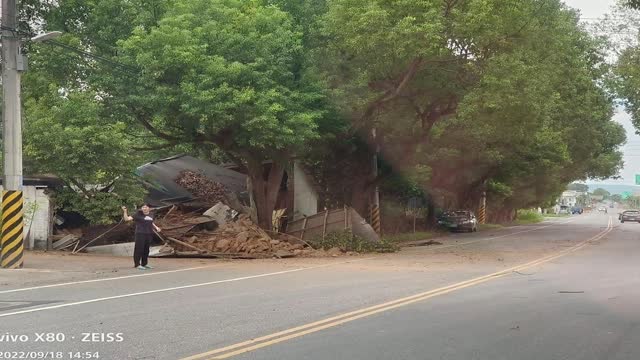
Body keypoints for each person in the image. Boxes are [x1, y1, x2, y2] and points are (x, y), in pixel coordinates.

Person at [122, 204, 161, 270]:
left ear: (149, 208)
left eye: (146, 207)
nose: (144, 208)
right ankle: (137, 264)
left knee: (146, 250)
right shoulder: (138, 214)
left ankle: (144, 264)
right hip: (140, 233)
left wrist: (156, 227)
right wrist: (125, 211)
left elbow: (151, 222)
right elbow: (127, 219)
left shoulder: (151, 214)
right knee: (139, 249)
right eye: (143, 207)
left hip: (149, 233)